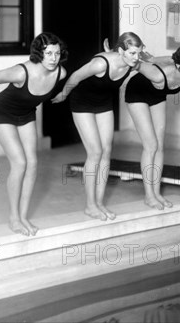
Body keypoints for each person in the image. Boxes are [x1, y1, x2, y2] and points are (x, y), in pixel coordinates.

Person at [0, 33, 67, 236]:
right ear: (39, 53)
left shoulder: (60, 73)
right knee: (19, 163)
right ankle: (13, 218)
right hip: (2, 112)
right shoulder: (21, 72)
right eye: (48, 53)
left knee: (33, 163)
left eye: (57, 53)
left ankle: (23, 216)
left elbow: (74, 80)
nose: (54, 58)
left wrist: (64, 93)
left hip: (26, 113)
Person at [53, 32, 143, 221]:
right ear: (121, 51)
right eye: (133, 53)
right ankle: (90, 205)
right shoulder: (101, 64)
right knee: (94, 152)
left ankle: (99, 203)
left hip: (103, 104)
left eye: (139, 53)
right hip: (82, 104)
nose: (137, 58)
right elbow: (76, 76)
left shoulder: (132, 62)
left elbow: (155, 61)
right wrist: (63, 94)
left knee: (106, 151)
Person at [125, 44, 180, 209]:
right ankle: (149, 195)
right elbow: (133, 62)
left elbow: (162, 59)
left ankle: (157, 192)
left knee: (159, 145)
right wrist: (114, 53)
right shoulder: (157, 74)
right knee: (150, 145)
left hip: (157, 95)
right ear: (179, 66)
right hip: (137, 92)